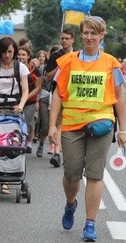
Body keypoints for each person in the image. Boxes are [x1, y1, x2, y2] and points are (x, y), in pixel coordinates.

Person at [48, 17, 126, 241]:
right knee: (71, 173)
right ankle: (70, 204)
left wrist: (122, 130)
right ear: (81, 35)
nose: (89, 37)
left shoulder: (111, 63)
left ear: (102, 36)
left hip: (101, 125)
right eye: (86, 33)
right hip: (72, 125)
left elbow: (119, 98)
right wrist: (53, 125)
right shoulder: (67, 61)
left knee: (94, 174)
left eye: (94, 33)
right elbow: (57, 95)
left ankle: (90, 223)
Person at [46, 28, 75, 167]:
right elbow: (47, 77)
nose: (64, 41)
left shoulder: (77, 56)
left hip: (73, 94)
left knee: (69, 125)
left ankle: (68, 151)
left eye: (67, 38)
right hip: (57, 92)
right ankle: (57, 153)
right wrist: (59, 66)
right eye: (62, 38)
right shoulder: (55, 56)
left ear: (72, 40)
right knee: (58, 123)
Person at [17, 46, 41, 154]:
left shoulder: (34, 69)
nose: (21, 57)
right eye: (19, 54)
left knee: (26, 123)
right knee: (15, 122)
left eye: (23, 55)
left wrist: (26, 96)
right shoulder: (13, 67)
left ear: (28, 56)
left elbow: (38, 87)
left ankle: (25, 143)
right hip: (15, 100)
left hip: (30, 101)